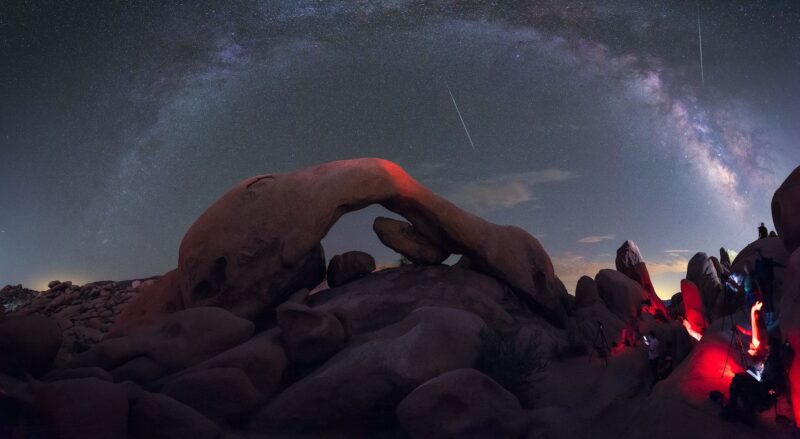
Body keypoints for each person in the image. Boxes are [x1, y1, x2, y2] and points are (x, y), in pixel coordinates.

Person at [754, 249, 785, 327]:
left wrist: (784, 266)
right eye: (756, 254)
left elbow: (774, 264)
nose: (757, 255)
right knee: (765, 301)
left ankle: (771, 318)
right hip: (762, 285)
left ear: (760, 253)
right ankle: (768, 317)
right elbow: (756, 273)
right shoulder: (757, 263)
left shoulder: (766, 261)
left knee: (769, 299)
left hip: (768, 283)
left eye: (758, 253)